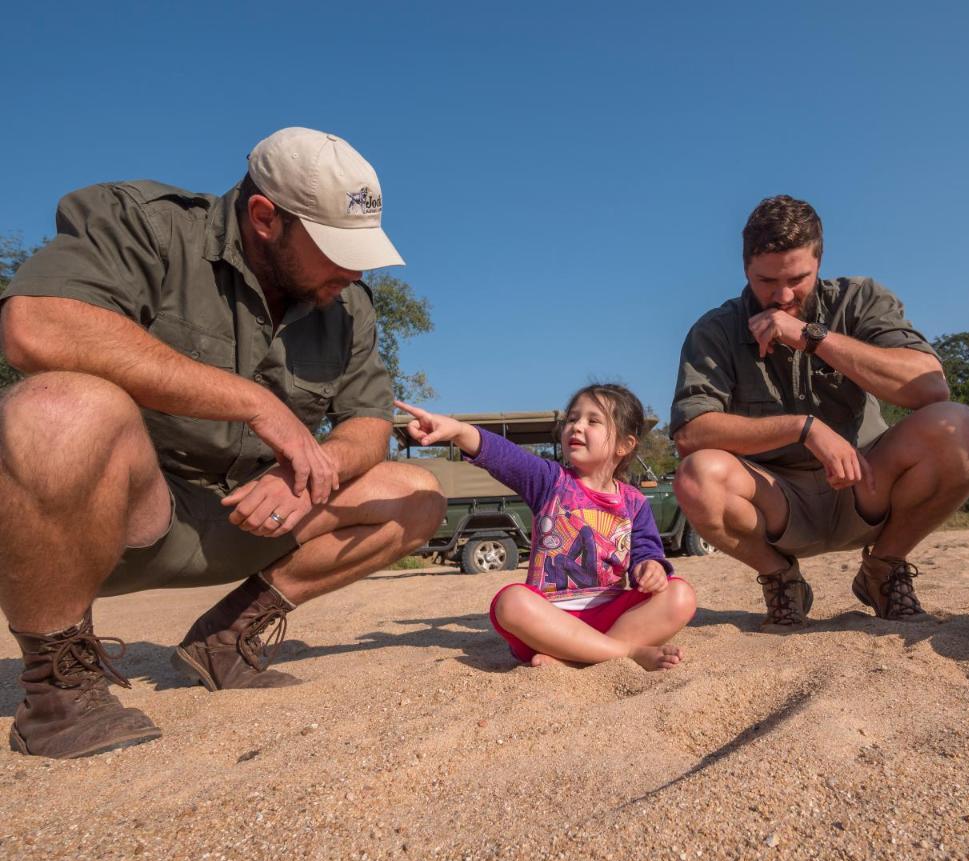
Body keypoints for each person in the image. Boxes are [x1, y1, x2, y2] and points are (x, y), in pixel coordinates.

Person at [0, 127, 446, 759]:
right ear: (265, 218)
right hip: (127, 516)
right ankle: (57, 685)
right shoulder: (147, 225)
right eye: (335, 247)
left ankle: (225, 637)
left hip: (249, 514)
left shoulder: (349, 306)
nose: (354, 269)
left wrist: (311, 468)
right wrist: (254, 402)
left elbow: (368, 424)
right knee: (57, 408)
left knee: (418, 495)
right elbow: (35, 325)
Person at [670, 195, 969, 629]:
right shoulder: (716, 330)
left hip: (867, 483)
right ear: (745, 268)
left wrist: (812, 336)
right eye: (766, 281)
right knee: (697, 474)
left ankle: (884, 569)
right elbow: (691, 433)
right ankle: (781, 577)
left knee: (964, 429)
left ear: (819, 260)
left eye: (797, 279)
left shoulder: (859, 300)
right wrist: (803, 428)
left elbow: (930, 387)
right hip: (777, 499)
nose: (782, 296)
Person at [397, 384, 697, 669]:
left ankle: (576, 656)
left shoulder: (634, 502)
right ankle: (624, 651)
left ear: (623, 444)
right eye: (572, 419)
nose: (576, 426)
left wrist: (651, 568)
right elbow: (505, 457)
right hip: (549, 622)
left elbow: (646, 552)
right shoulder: (549, 481)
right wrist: (460, 431)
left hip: (612, 616)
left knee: (680, 595)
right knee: (511, 602)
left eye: (593, 421)